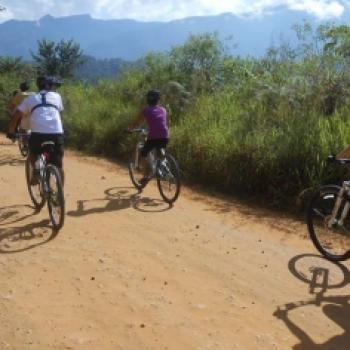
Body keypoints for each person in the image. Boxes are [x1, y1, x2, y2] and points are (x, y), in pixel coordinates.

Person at [8, 76, 65, 183]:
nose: (55, 88)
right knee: (58, 165)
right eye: (54, 85)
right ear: (47, 85)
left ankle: (36, 172)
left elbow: (16, 116)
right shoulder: (57, 96)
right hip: (57, 133)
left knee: (33, 153)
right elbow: (60, 114)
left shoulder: (31, 99)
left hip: (38, 134)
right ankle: (60, 196)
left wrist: (11, 131)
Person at [129, 89, 169, 185]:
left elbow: (137, 123)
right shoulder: (163, 109)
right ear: (158, 100)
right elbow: (163, 124)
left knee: (143, 153)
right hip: (165, 135)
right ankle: (164, 165)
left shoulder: (146, 110)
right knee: (160, 148)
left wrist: (129, 129)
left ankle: (147, 175)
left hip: (153, 137)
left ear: (147, 99)